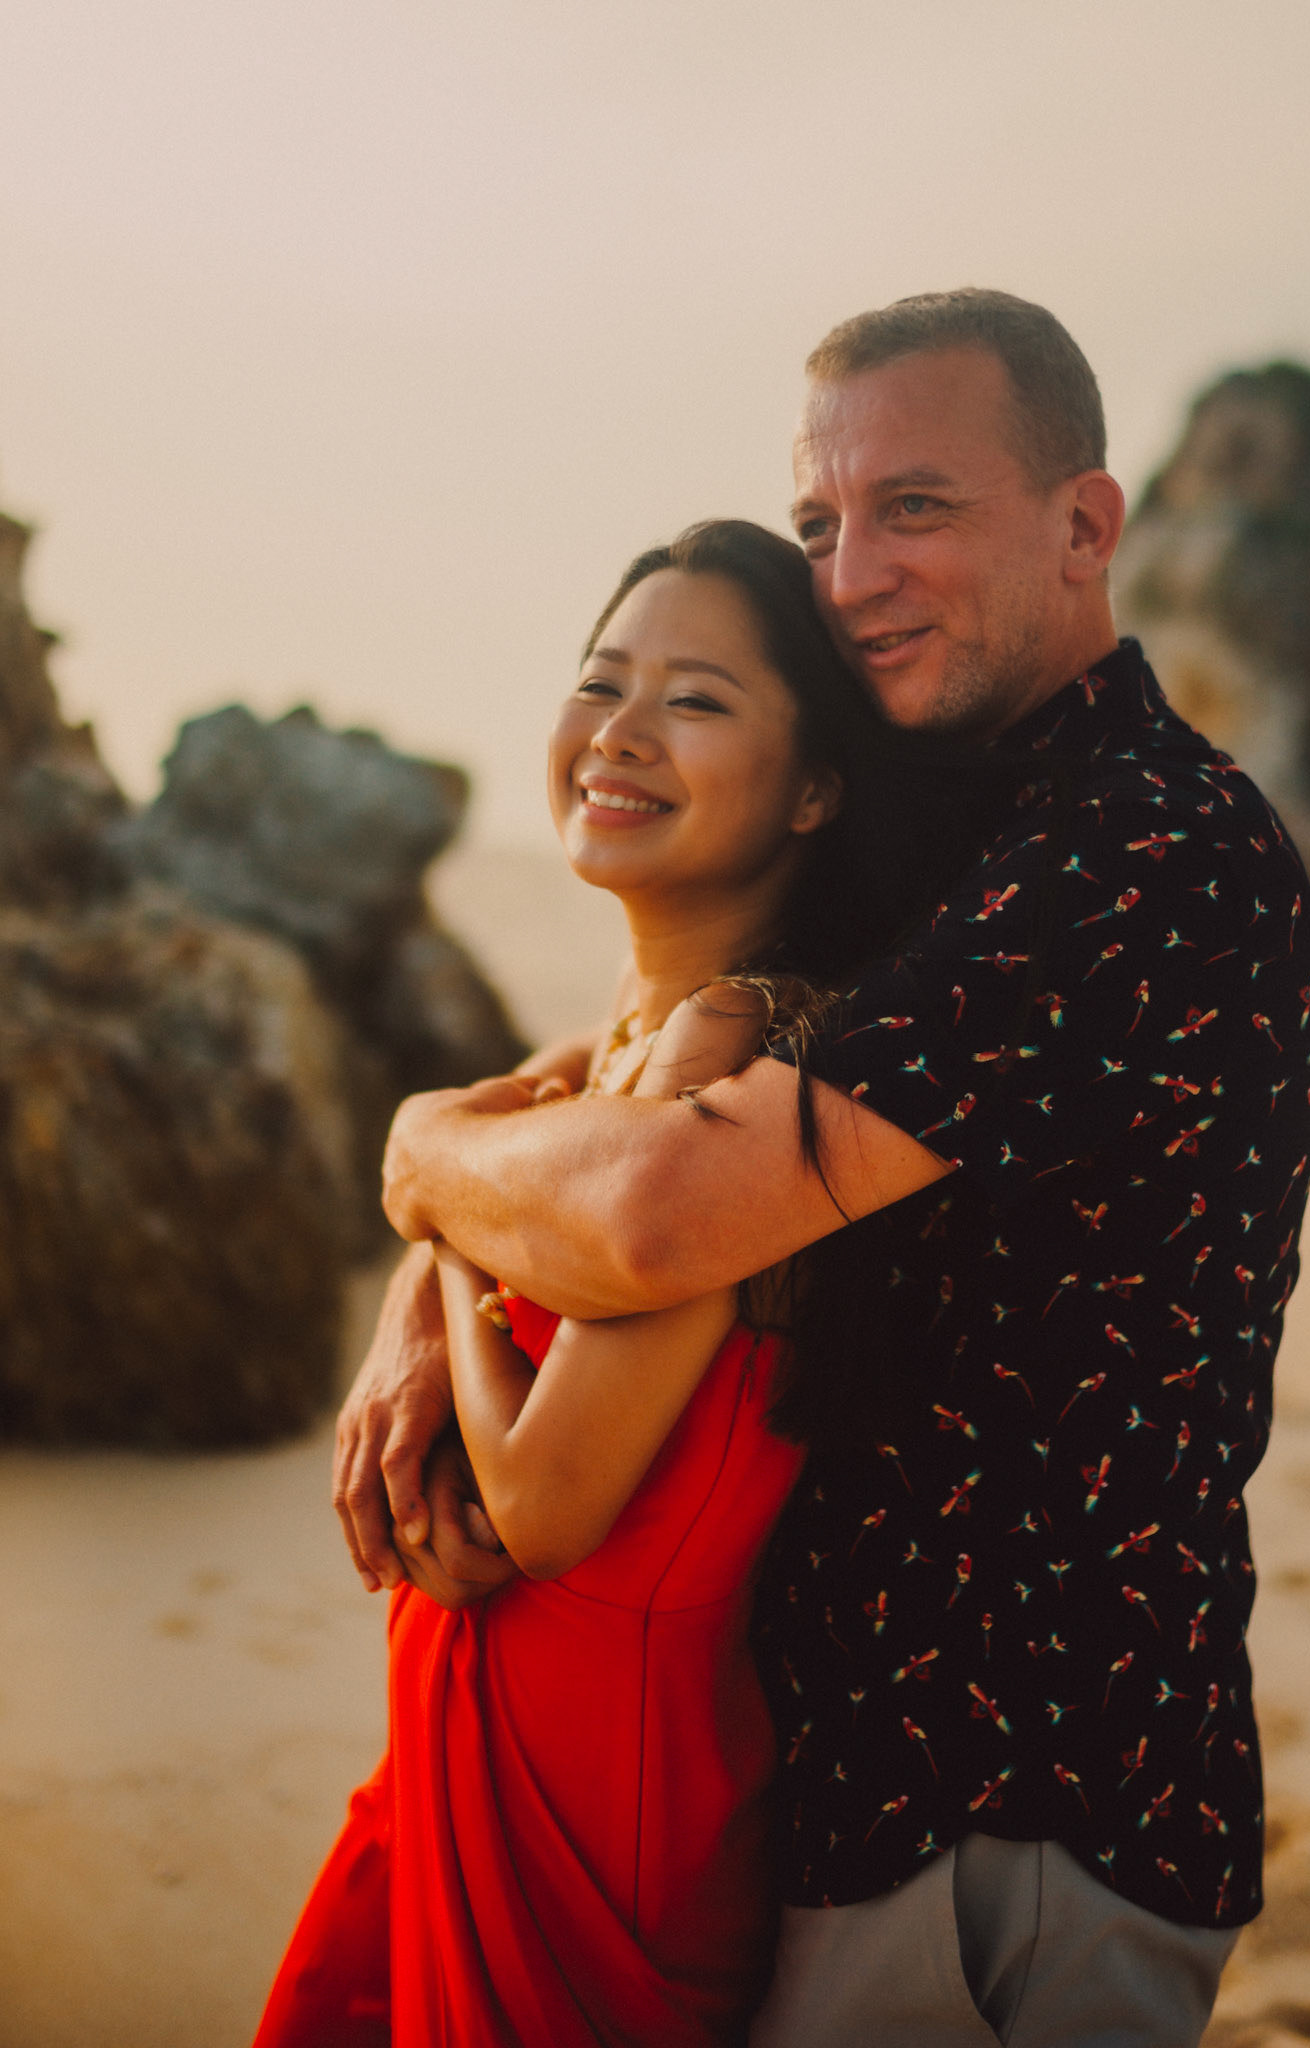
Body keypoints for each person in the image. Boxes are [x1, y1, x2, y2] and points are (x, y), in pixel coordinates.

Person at [338, 289, 1310, 2047]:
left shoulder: (1143, 849)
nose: (850, 574)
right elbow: (638, 1066)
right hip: (848, 1781)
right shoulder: (971, 833)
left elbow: (654, 1206)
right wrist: (433, 1292)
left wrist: (419, 1153)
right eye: (819, 520)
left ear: (1084, 525)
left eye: (914, 507)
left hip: (1017, 1810)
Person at [256, 519, 984, 2046]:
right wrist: (421, 1285)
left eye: (695, 700)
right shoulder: (634, 1029)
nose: (620, 732)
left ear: (814, 788)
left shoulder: (731, 1047)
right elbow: (483, 1145)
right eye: (601, 680)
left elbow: (540, 1498)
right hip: (472, 1744)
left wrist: (439, 1242)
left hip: (597, 1818)